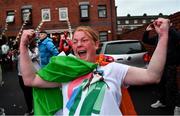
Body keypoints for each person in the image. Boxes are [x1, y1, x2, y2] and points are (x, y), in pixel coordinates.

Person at [19, 18, 170, 115]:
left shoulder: (112, 69)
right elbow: (30, 80)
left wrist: (163, 36)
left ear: (96, 44)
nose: (79, 44)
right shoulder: (67, 73)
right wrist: (23, 46)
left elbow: (152, 75)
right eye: (75, 41)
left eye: (84, 40)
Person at [142, 21, 180, 115]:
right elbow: (145, 40)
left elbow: (179, 38)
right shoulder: (158, 37)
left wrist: (168, 28)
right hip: (160, 65)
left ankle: (177, 107)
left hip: (170, 64)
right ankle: (162, 102)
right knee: (160, 84)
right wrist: (147, 31)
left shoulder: (173, 35)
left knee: (172, 86)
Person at [17, 40, 40, 115]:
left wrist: (25, 48)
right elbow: (16, 59)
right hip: (21, 74)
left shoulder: (35, 48)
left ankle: (39, 109)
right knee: (26, 93)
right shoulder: (20, 48)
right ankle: (30, 109)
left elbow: (30, 57)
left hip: (34, 73)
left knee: (37, 92)